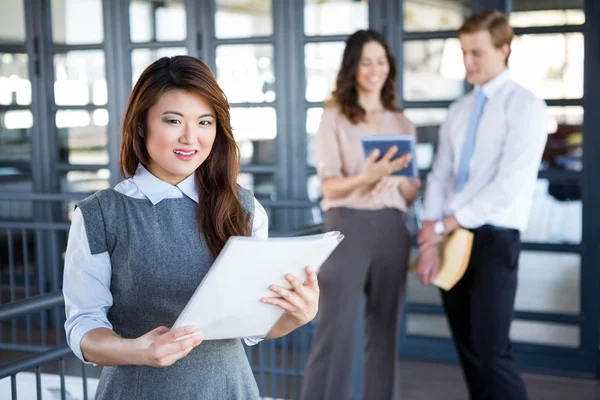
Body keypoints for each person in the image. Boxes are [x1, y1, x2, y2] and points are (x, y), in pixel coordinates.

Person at [62, 55, 320, 399]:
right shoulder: (100, 214)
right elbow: (83, 327)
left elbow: (253, 325)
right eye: (173, 120)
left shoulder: (244, 208)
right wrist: (138, 350)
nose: (190, 137)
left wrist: (297, 316)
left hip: (229, 389)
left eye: (205, 122)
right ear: (141, 125)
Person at [416, 11, 548, 400]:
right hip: (450, 236)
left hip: (495, 238)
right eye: (463, 52)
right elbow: (440, 175)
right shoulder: (458, 111)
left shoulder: (526, 106)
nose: (468, 61)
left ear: (504, 49)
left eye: (477, 52)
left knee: (493, 353)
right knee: (469, 352)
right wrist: (430, 235)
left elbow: (508, 185)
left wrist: (445, 224)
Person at [300, 29, 421, 400]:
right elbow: (329, 186)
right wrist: (365, 178)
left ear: (390, 66)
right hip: (346, 225)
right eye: (366, 61)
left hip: (392, 228)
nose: (374, 69)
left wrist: (395, 182)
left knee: (385, 331)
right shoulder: (334, 115)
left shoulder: (401, 122)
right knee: (335, 331)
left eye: (381, 61)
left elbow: (413, 191)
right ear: (353, 67)